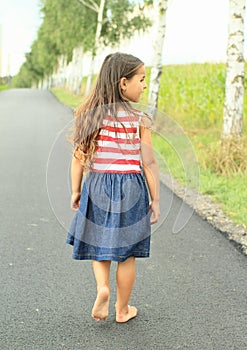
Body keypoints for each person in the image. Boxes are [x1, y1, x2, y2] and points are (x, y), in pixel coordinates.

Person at [66, 52, 160, 323]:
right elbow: (149, 162)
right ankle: (122, 310)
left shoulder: (90, 116)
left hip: (97, 184)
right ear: (122, 83)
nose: (144, 85)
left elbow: (78, 159)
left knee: (99, 243)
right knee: (127, 254)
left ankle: (102, 288)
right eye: (141, 80)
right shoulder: (139, 119)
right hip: (131, 186)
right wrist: (155, 199)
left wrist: (76, 190)